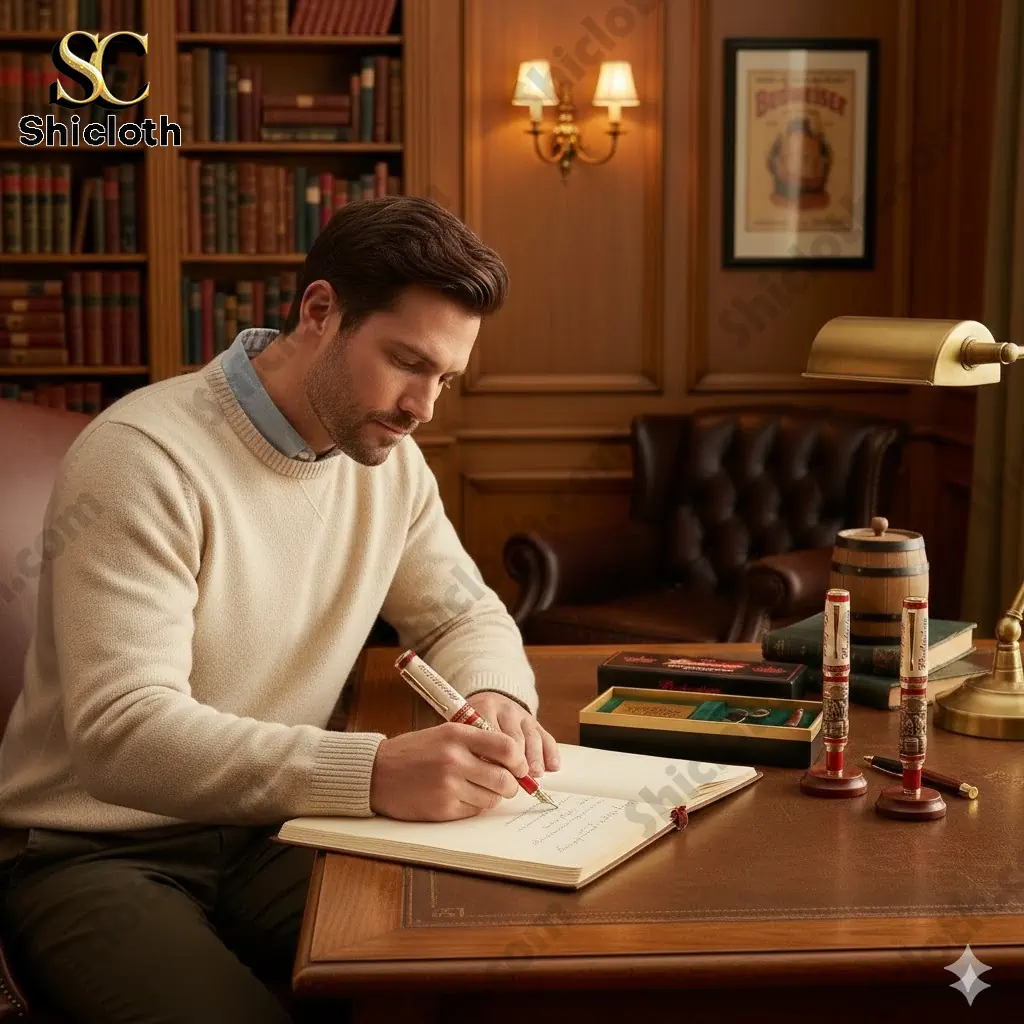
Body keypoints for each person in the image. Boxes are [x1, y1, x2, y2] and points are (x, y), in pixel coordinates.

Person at [0, 195, 560, 1024]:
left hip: (272, 829)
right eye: (407, 361)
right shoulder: (145, 458)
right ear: (322, 312)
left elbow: (461, 615)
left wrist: (497, 698)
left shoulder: (388, 463)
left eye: (445, 377)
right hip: (94, 849)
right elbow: (122, 733)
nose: (423, 408)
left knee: (494, 960)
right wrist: (368, 772)